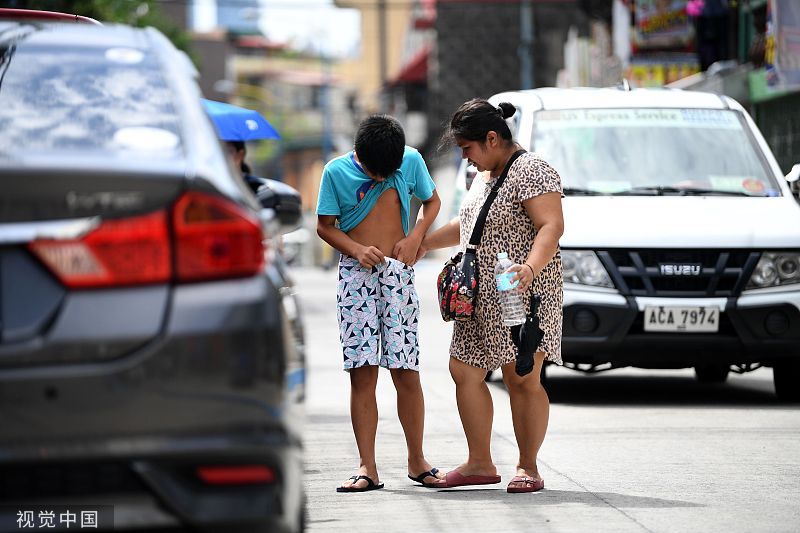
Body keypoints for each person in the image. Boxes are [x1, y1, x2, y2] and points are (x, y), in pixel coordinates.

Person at [417, 99, 564, 493]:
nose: (465, 156)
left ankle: (528, 467)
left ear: (492, 138)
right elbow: (467, 225)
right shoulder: (482, 175)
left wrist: (529, 269)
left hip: (522, 295)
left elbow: (551, 226)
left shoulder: (533, 170)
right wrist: (422, 245)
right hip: (477, 297)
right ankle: (479, 463)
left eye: (468, 148)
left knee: (522, 378)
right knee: (464, 371)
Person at [316, 114, 443, 492]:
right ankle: (366, 466)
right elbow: (325, 225)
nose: (380, 180)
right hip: (355, 279)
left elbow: (432, 202)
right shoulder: (335, 172)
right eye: (374, 173)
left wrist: (416, 236)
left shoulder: (412, 160)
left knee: (406, 371)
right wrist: (355, 249)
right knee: (363, 371)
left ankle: (417, 460)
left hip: (398, 274)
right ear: (360, 155)